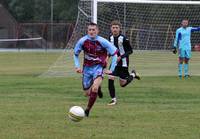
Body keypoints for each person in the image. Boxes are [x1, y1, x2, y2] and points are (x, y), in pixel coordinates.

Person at [73, 22, 118, 117]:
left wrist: (111, 69)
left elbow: (115, 54)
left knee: (94, 87)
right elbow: (75, 54)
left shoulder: (103, 41)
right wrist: (77, 66)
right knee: (87, 93)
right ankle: (98, 89)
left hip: (98, 67)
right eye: (90, 30)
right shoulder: (82, 41)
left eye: (94, 30)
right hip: (87, 68)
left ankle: (87, 110)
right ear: (87, 31)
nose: (92, 32)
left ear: (97, 31)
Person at [107, 20, 140, 106]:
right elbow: (109, 50)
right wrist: (107, 58)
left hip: (123, 63)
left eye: (116, 28)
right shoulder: (110, 38)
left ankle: (133, 75)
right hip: (114, 63)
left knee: (122, 84)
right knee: (110, 78)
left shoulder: (124, 38)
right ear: (111, 28)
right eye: (113, 27)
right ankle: (113, 100)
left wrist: (120, 57)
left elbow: (130, 51)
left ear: (119, 29)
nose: (115, 29)